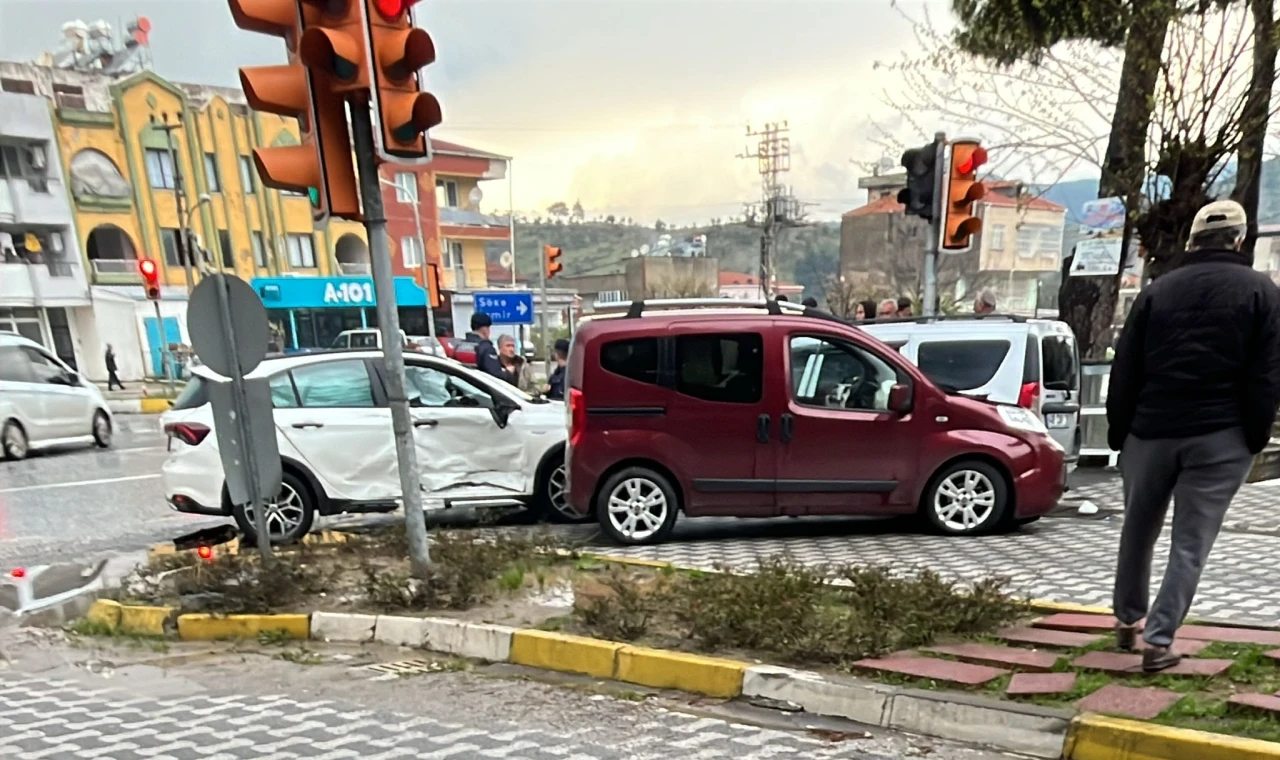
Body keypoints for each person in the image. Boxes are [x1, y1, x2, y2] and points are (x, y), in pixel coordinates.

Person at [1107, 199, 1280, 672]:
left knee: (1137, 529)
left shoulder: (1157, 290)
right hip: (1220, 435)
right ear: (1241, 240)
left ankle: (1127, 621)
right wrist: (1254, 436)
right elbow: (1265, 375)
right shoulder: (1262, 292)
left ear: (1192, 240)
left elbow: (1126, 368)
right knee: (1191, 542)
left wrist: (1121, 432)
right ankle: (1159, 641)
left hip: (1150, 430)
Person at [465, 313, 508, 382]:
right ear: (484, 329)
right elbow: (496, 375)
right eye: (488, 328)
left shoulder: (463, 345)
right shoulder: (486, 348)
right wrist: (508, 373)